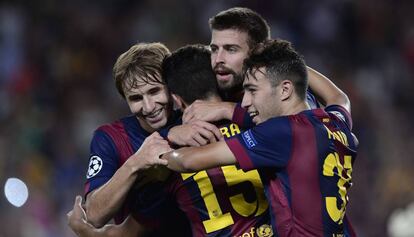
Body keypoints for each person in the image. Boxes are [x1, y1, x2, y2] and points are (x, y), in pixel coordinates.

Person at [68, 44, 273, 237]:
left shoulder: (196, 121)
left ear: (172, 90)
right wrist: (136, 161)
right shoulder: (111, 138)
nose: (148, 107)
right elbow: (95, 214)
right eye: (136, 98)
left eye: (154, 91)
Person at [162, 39, 358, 237]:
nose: (245, 102)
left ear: (285, 90)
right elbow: (339, 97)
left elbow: (187, 161)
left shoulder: (280, 132)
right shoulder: (335, 121)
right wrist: (287, 64)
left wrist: (164, 142)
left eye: (252, 90)